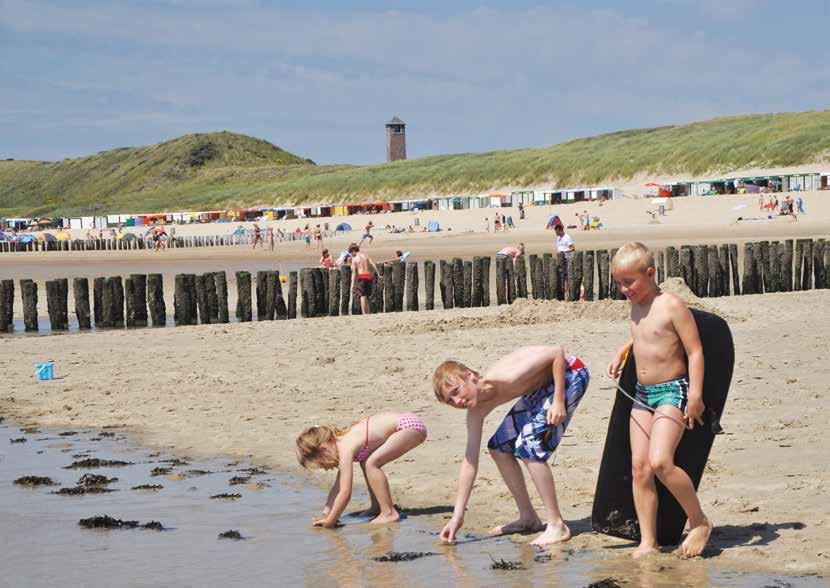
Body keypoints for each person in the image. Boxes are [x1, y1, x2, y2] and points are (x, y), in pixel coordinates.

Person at [606, 242, 710, 559]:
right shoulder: (636, 304)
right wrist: (624, 350)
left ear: (650, 274)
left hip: (671, 391)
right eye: (619, 283)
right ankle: (648, 541)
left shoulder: (672, 305)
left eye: (629, 282)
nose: (624, 289)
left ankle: (699, 521)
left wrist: (695, 395)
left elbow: (695, 351)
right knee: (639, 468)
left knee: (661, 462)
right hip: (641, 394)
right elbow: (647, 333)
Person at [433, 346, 590, 546]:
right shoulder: (475, 411)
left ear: (470, 376)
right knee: (498, 447)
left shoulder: (504, 376)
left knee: (528, 445)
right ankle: (528, 518)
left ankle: (557, 525)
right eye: (450, 401)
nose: (457, 401)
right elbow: (469, 461)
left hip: (570, 373)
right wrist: (457, 517)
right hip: (539, 387)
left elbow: (556, 353)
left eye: (456, 391)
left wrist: (558, 401)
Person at [296, 412, 427, 527]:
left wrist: (331, 521)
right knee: (366, 462)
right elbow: (338, 486)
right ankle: (377, 507)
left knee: (372, 464)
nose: (326, 469)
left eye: (322, 464)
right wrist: (326, 512)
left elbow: (345, 492)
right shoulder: (342, 444)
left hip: (408, 426)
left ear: (324, 448)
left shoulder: (345, 448)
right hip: (405, 425)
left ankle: (389, 513)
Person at [349, 243, 379, 314]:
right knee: (367, 296)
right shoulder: (366, 255)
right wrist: (378, 273)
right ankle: (368, 312)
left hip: (361, 276)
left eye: (351, 253)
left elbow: (354, 273)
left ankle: (364, 313)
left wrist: (352, 285)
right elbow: (373, 264)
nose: (351, 254)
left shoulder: (355, 259)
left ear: (353, 250)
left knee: (362, 296)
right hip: (368, 276)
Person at [554, 225, 574, 295]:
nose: (556, 234)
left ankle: (566, 290)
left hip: (566, 258)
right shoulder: (558, 237)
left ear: (560, 230)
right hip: (560, 258)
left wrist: (565, 251)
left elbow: (573, 248)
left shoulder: (567, 237)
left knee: (566, 275)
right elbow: (559, 247)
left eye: (556, 232)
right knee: (559, 274)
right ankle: (562, 290)